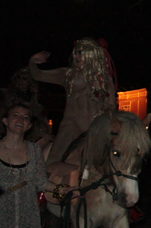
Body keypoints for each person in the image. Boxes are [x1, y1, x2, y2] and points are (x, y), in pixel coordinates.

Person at [28, 38, 117, 166]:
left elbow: (111, 106)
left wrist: (105, 121)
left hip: (93, 128)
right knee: (53, 161)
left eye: (80, 53)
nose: (76, 56)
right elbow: (38, 75)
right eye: (75, 53)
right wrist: (32, 62)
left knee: (101, 165)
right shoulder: (68, 74)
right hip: (71, 125)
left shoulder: (105, 79)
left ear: (91, 54)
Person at [1, 68, 51, 152]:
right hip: (8, 133)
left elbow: (43, 121)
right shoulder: (7, 97)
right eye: (18, 78)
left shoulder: (36, 101)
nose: (20, 81)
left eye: (24, 79)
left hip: (31, 134)